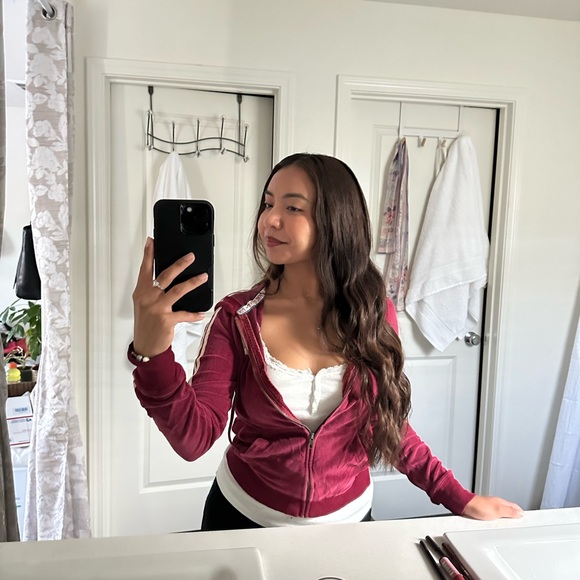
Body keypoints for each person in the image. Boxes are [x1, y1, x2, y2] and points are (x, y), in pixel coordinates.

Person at [129, 153, 523, 531]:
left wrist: (458, 497)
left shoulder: (373, 313)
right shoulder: (237, 316)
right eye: (268, 204)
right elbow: (194, 439)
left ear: (336, 221)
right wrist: (153, 355)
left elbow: (386, 422)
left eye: (293, 207)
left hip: (348, 523)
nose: (270, 220)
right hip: (241, 517)